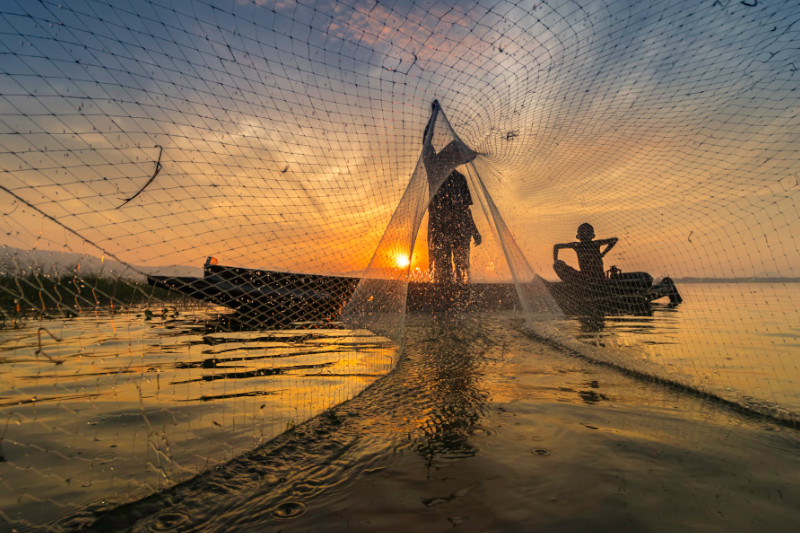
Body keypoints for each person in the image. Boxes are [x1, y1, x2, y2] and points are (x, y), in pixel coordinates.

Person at [422, 101, 481, 284]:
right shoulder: (434, 167)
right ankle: (446, 299)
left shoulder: (459, 179)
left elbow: (465, 209)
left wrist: (474, 230)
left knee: (461, 266)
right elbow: (426, 141)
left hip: (457, 227)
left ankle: (458, 298)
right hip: (440, 226)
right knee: (443, 266)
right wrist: (433, 117)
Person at [553, 223, 618, 285]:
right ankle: (577, 285)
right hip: (586, 278)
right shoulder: (591, 244)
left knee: (557, 264)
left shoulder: (579, 245)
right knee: (558, 264)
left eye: (586, 234)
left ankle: (576, 285)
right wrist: (603, 253)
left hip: (595, 278)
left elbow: (556, 246)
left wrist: (603, 253)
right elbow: (614, 240)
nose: (585, 237)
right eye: (583, 234)